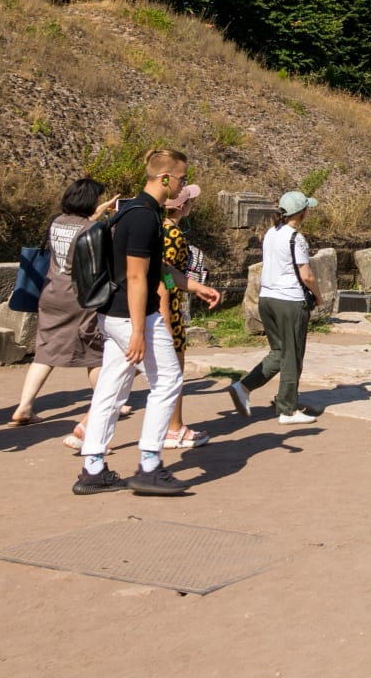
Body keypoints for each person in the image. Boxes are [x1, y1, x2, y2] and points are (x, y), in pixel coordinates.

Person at [73, 148, 191, 497]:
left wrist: (194, 285)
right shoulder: (143, 218)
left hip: (114, 313)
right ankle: (149, 465)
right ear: (165, 178)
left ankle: (93, 468)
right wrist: (139, 330)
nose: (183, 187)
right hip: (134, 316)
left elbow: (154, 267)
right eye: (182, 179)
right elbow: (137, 276)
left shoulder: (134, 211)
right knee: (168, 380)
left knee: (111, 388)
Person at [8, 179, 115, 441]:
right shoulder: (93, 229)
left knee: (45, 351)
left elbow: (77, 229)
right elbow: (100, 254)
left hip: (51, 293)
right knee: (96, 353)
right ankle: (104, 404)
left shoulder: (56, 222)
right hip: (79, 298)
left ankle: (24, 406)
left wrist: (99, 212)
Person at [228, 191, 321, 426]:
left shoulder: (271, 232)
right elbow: (307, 275)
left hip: (267, 298)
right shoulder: (296, 238)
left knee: (279, 351)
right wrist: (319, 297)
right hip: (289, 300)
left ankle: (244, 387)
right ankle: (288, 410)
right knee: (292, 355)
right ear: (301, 213)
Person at [160, 183, 221, 447]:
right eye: (190, 201)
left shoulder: (156, 228)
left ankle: (89, 424)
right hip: (168, 309)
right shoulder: (173, 234)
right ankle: (174, 428)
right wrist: (174, 296)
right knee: (173, 371)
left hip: (162, 305)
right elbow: (165, 275)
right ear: (182, 207)